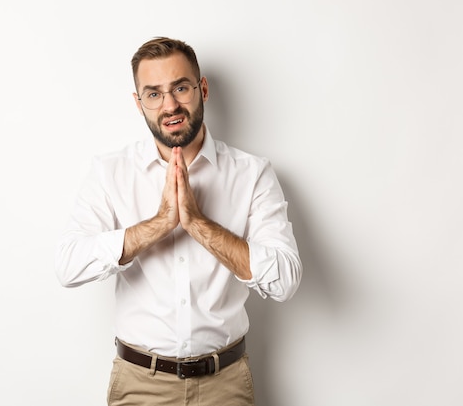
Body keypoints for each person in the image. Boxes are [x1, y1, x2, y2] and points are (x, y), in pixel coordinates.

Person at [55, 36, 302, 406]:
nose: (170, 105)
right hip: (140, 384)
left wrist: (199, 224)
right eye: (153, 94)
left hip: (226, 385)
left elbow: (285, 280)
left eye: (181, 88)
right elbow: (68, 265)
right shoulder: (110, 173)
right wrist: (159, 224)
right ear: (139, 104)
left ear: (202, 89)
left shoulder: (252, 174)